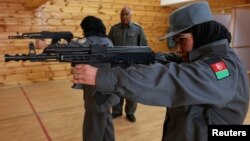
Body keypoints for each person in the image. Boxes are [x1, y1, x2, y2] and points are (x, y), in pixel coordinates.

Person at [72, 2, 249, 141]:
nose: (179, 48)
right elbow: (175, 61)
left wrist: (102, 76)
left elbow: (171, 80)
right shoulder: (204, 58)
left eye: (181, 40)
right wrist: (142, 57)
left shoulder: (223, 68)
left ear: (201, 33)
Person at [36, 16, 119, 141]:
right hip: (108, 87)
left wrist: (45, 46)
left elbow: (69, 49)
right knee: (105, 120)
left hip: (95, 92)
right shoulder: (107, 41)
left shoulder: (88, 41)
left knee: (92, 127)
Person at [108, 6, 148, 122]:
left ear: (131, 15)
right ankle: (116, 111)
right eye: (122, 14)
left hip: (132, 67)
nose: (124, 16)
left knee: (131, 90)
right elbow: (109, 46)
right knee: (117, 89)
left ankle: (130, 113)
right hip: (116, 66)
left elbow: (144, 48)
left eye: (126, 14)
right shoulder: (114, 29)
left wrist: (141, 66)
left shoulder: (138, 29)